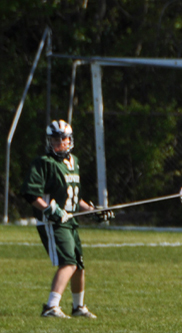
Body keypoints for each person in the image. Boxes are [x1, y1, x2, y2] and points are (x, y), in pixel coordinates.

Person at [22, 120, 114, 319]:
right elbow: (30, 194)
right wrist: (49, 210)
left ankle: (78, 307)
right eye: (55, 139)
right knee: (68, 262)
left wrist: (92, 211)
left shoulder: (74, 162)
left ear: (70, 140)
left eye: (63, 139)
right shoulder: (44, 163)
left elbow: (72, 198)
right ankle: (51, 306)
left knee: (79, 265)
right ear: (49, 141)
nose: (59, 143)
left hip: (70, 220)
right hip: (53, 222)